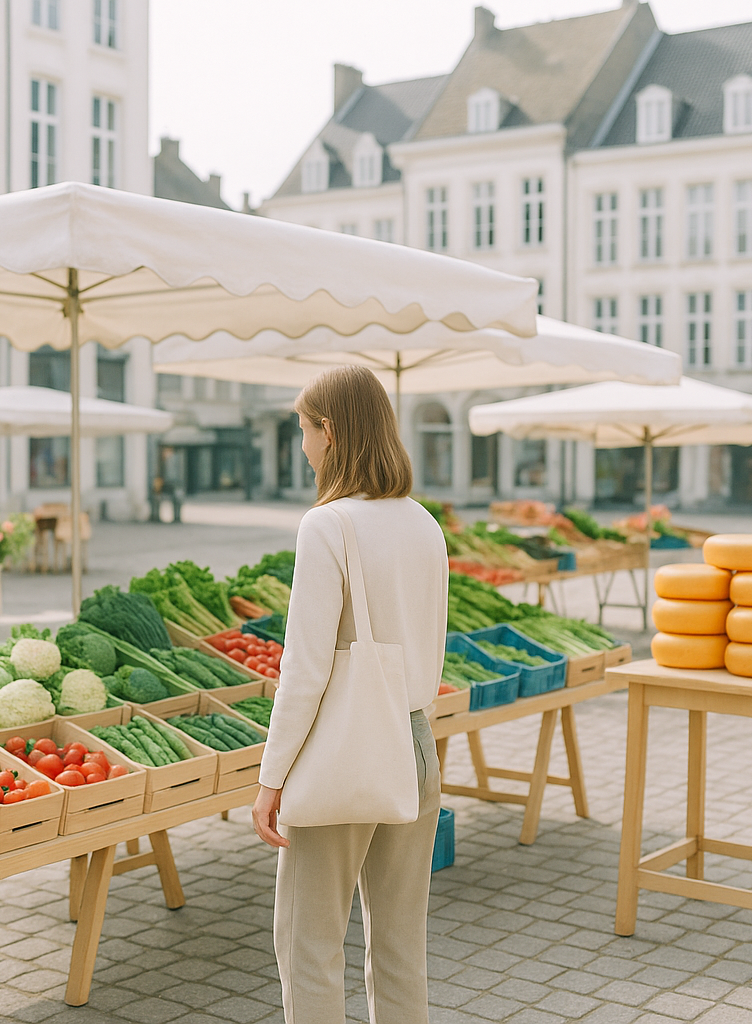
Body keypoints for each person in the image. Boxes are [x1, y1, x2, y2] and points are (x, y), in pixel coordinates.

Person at [252, 365, 448, 1024]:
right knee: (400, 946)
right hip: (417, 743)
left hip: (346, 749)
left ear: (329, 433)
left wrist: (270, 777)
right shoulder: (424, 522)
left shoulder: (327, 525)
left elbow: (305, 670)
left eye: (303, 430)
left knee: (308, 945)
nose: (302, 445)